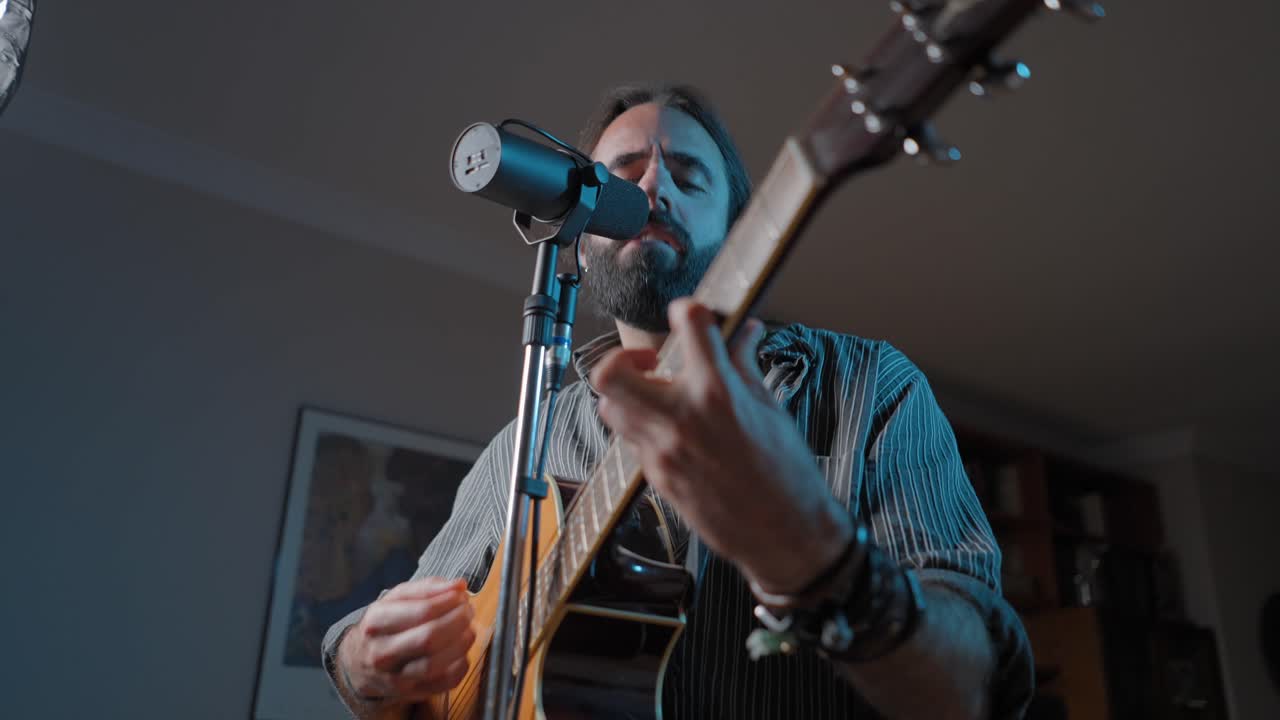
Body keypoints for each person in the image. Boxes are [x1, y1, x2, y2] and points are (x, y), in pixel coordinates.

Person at [322, 84, 1034, 719]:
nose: (655, 184)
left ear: (742, 227)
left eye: (689, 174)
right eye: (625, 171)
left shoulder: (868, 385)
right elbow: (388, 659)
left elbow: (971, 689)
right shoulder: (525, 442)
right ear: (583, 228)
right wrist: (362, 659)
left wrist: (812, 553)